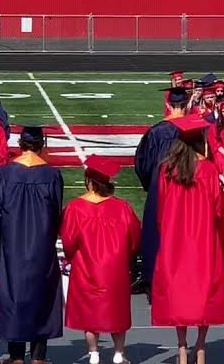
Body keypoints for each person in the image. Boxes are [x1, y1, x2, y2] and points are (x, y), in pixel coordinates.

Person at [152, 116, 224, 364]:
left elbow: (161, 209)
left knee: (179, 293)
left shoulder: (167, 169)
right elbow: (218, 209)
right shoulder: (209, 170)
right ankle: (201, 347)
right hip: (203, 238)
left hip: (175, 237)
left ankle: (182, 347)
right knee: (204, 292)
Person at [60, 155, 142, 364]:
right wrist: (124, 257)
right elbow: (134, 238)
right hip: (115, 267)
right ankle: (119, 353)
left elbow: (68, 241)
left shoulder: (75, 208)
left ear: (88, 182)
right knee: (117, 311)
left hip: (86, 266)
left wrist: (72, 257)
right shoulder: (122, 208)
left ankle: (94, 352)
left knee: (90, 312)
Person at [0, 126, 64, 364]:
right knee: (42, 294)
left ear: (20, 144)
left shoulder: (6, 173)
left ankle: (16, 356)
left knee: (14, 295)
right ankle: (38, 356)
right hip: (42, 242)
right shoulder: (52, 175)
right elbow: (56, 212)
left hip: (13, 243)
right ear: (41, 145)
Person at [133, 88, 188, 293]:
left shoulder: (157, 131)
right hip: (186, 188)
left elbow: (143, 163)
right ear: (187, 104)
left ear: (168, 105)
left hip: (159, 187)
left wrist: (152, 183)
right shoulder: (194, 131)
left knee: (156, 231)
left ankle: (153, 277)